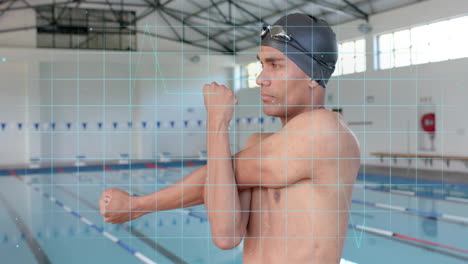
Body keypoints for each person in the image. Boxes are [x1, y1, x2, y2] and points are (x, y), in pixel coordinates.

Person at [100, 13, 360, 264]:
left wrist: (138, 205)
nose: (260, 79)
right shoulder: (259, 143)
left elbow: (223, 171)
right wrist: (217, 123)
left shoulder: (326, 133)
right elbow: (226, 235)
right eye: (261, 64)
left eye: (275, 65)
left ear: (313, 74)